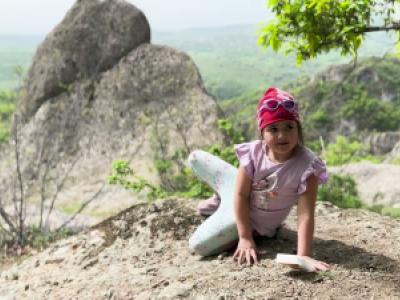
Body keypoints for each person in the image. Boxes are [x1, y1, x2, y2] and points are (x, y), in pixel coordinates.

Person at [196, 87, 330, 271]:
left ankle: (222, 204)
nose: (282, 135)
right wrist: (244, 238)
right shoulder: (253, 153)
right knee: (195, 157)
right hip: (238, 196)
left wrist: (303, 255)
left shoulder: (308, 167)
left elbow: (305, 214)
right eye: (273, 129)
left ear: (298, 128)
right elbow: (241, 195)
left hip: (250, 220)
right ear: (262, 132)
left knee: (198, 246)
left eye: (289, 127)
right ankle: (221, 198)